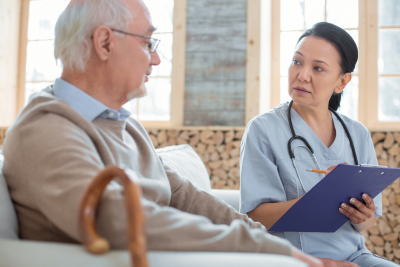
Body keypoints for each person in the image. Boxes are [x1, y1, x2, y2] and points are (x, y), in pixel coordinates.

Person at [1, 0, 329, 266]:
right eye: (148, 42)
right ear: (104, 42)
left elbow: (182, 194)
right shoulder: (45, 129)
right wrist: (271, 252)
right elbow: (116, 220)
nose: (156, 59)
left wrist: (271, 243)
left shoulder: (123, 124)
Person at [240, 22, 398, 267]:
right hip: (292, 259)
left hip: (355, 257)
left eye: (318, 68)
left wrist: (362, 218)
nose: (302, 75)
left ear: (342, 82)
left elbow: (367, 223)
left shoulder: (357, 133)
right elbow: (255, 216)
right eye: (297, 62)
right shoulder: (263, 129)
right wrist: (319, 199)